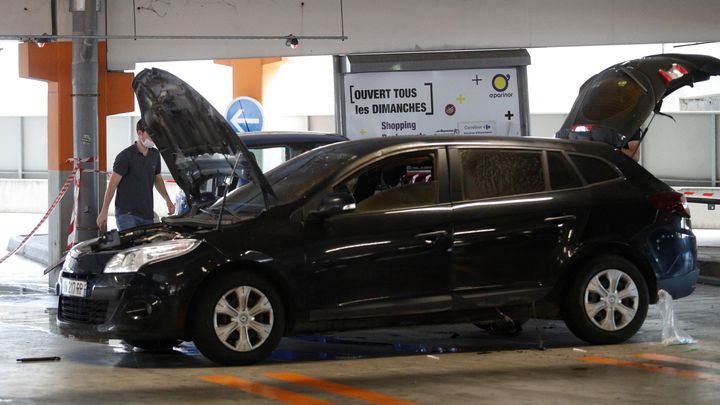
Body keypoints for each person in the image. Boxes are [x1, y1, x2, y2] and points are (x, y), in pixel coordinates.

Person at [97, 119, 175, 232]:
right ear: (139, 133)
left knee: (145, 247)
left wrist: (168, 200)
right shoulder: (125, 156)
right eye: (150, 134)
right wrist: (104, 212)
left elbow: (157, 180)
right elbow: (112, 186)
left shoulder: (155, 154)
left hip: (147, 214)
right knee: (131, 247)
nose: (153, 138)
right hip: (127, 215)